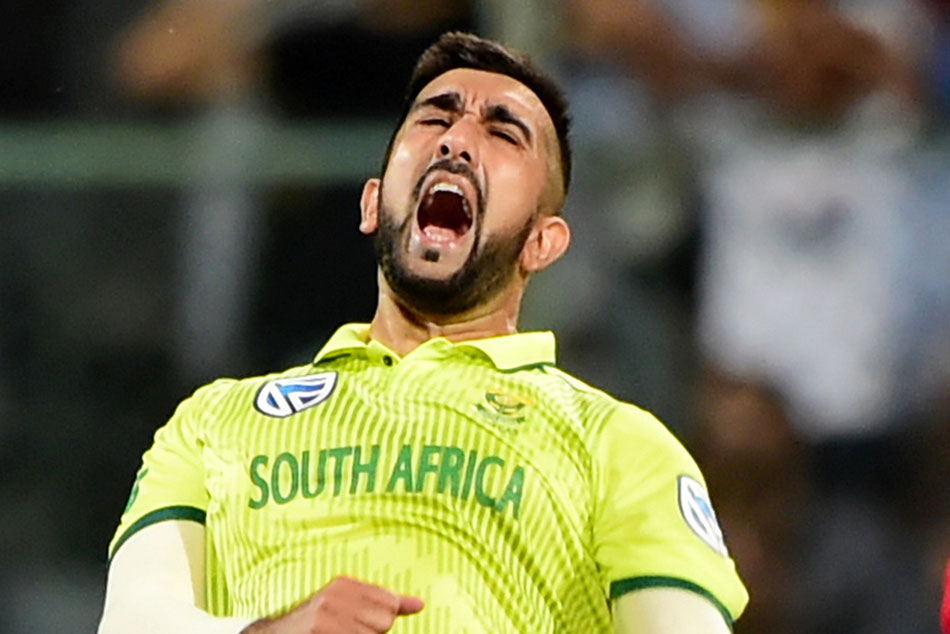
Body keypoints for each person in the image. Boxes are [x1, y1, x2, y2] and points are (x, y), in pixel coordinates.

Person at [96, 32, 747, 634]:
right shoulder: (212, 422)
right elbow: (132, 621)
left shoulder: (618, 446)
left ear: (542, 243)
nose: (456, 141)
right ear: (372, 203)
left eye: (503, 132)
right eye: (436, 117)